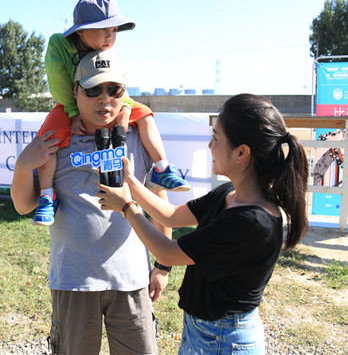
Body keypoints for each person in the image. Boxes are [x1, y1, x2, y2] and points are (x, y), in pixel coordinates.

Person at [97, 93, 310, 354]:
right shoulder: (229, 194)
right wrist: (130, 181)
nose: (210, 145)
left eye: (216, 138)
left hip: (225, 338)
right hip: (204, 331)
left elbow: (169, 253)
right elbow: (171, 215)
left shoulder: (253, 222)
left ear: (241, 152)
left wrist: (127, 207)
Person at [11, 49, 173, 355]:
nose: (104, 99)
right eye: (93, 90)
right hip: (74, 282)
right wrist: (22, 166)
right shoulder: (56, 138)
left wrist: (162, 267)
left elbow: (159, 205)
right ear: (75, 92)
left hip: (132, 281)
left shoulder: (139, 136)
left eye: (114, 90)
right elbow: (23, 205)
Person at [33, 0, 190, 226]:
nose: (110, 36)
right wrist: (73, 112)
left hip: (112, 104)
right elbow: (58, 82)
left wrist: (125, 109)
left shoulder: (106, 52)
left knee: (145, 115)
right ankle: (47, 196)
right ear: (81, 31)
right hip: (68, 103)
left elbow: (117, 84)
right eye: (103, 29)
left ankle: (161, 168)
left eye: (114, 30)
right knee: (48, 140)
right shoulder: (59, 44)